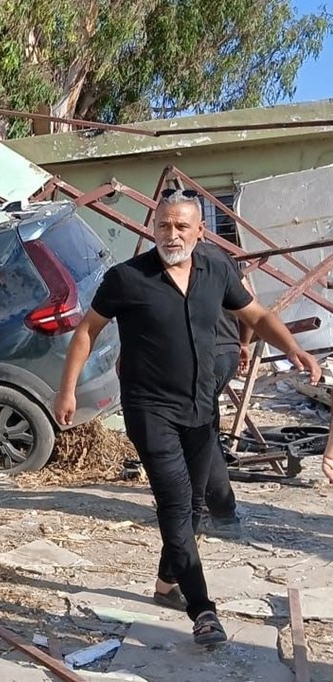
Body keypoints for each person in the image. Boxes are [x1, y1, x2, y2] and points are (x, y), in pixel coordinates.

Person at [53, 189, 321, 646]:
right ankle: (203, 610)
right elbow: (86, 330)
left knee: (194, 506)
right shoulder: (127, 279)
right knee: (177, 504)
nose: (171, 234)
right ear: (153, 228)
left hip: (201, 408)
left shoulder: (217, 267)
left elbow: (254, 313)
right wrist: (67, 389)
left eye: (181, 226)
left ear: (200, 230)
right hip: (148, 408)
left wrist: (292, 347)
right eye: (163, 225)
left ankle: (165, 585)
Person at [194, 240, 253, 540]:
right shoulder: (223, 257)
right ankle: (206, 505)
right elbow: (248, 304)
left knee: (201, 433)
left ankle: (223, 513)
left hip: (206, 357)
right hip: (227, 352)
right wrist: (243, 343)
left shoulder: (172, 261)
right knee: (205, 426)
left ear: (199, 226)